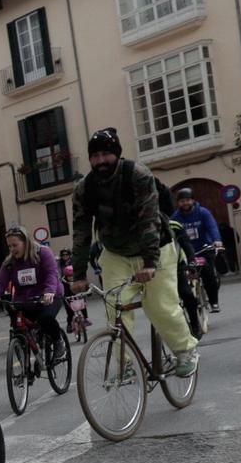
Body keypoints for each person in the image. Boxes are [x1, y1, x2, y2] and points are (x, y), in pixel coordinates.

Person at [69, 128, 199, 377]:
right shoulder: (85, 189)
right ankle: (124, 363)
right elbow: (81, 231)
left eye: (106, 154)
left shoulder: (137, 174)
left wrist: (150, 262)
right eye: (94, 156)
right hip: (115, 252)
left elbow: (149, 219)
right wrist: (78, 273)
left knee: (159, 306)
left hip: (154, 247)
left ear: (117, 154)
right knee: (114, 309)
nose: (100, 161)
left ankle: (185, 350)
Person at [0, 225, 65, 355]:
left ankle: (58, 340)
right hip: (25, 299)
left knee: (45, 318)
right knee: (14, 316)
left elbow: (51, 274)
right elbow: (0, 282)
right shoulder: (9, 262)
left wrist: (49, 291)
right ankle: (23, 346)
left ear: (25, 242)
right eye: (9, 246)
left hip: (49, 296)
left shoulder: (43, 252)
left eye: (15, 245)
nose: (12, 249)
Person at [171, 186, 224, 314]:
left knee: (209, 275)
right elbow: (172, 234)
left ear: (193, 200)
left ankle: (214, 302)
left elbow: (212, 227)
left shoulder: (203, 212)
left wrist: (216, 240)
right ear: (178, 203)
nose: (185, 203)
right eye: (182, 201)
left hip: (204, 249)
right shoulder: (175, 217)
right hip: (186, 252)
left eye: (188, 200)